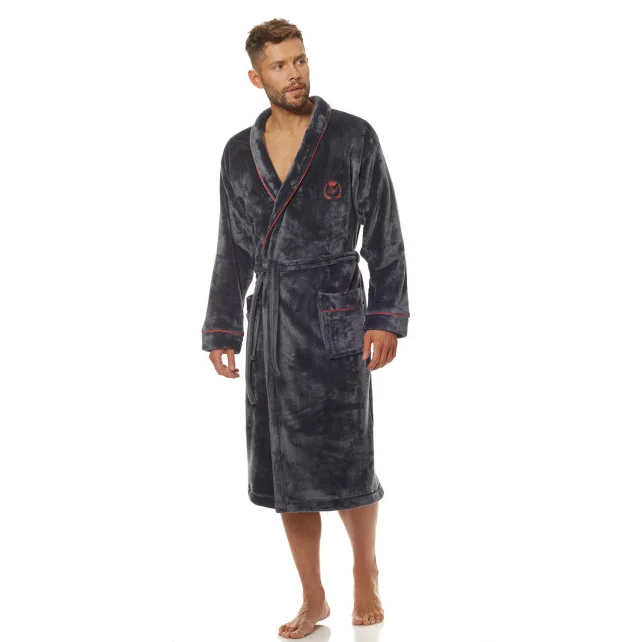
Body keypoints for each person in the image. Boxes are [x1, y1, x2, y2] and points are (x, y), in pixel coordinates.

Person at [200, 18, 410, 639]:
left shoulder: (351, 136)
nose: (294, 74)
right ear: (255, 77)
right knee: (286, 468)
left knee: (349, 455)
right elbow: (232, 246)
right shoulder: (237, 153)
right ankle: (313, 597)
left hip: (335, 315)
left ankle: (366, 572)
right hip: (272, 324)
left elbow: (387, 237)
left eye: (300, 60)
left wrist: (384, 318)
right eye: (279, 65)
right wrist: (222, 327)